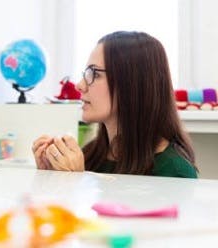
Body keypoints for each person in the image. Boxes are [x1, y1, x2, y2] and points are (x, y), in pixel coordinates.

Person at [32, 31, 198, 178]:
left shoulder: (175, 171)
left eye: (94, 74)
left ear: (131, 84)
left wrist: (76, 183)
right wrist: (50, 177)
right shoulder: (91, 155)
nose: (79, 85)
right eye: (86, 73)